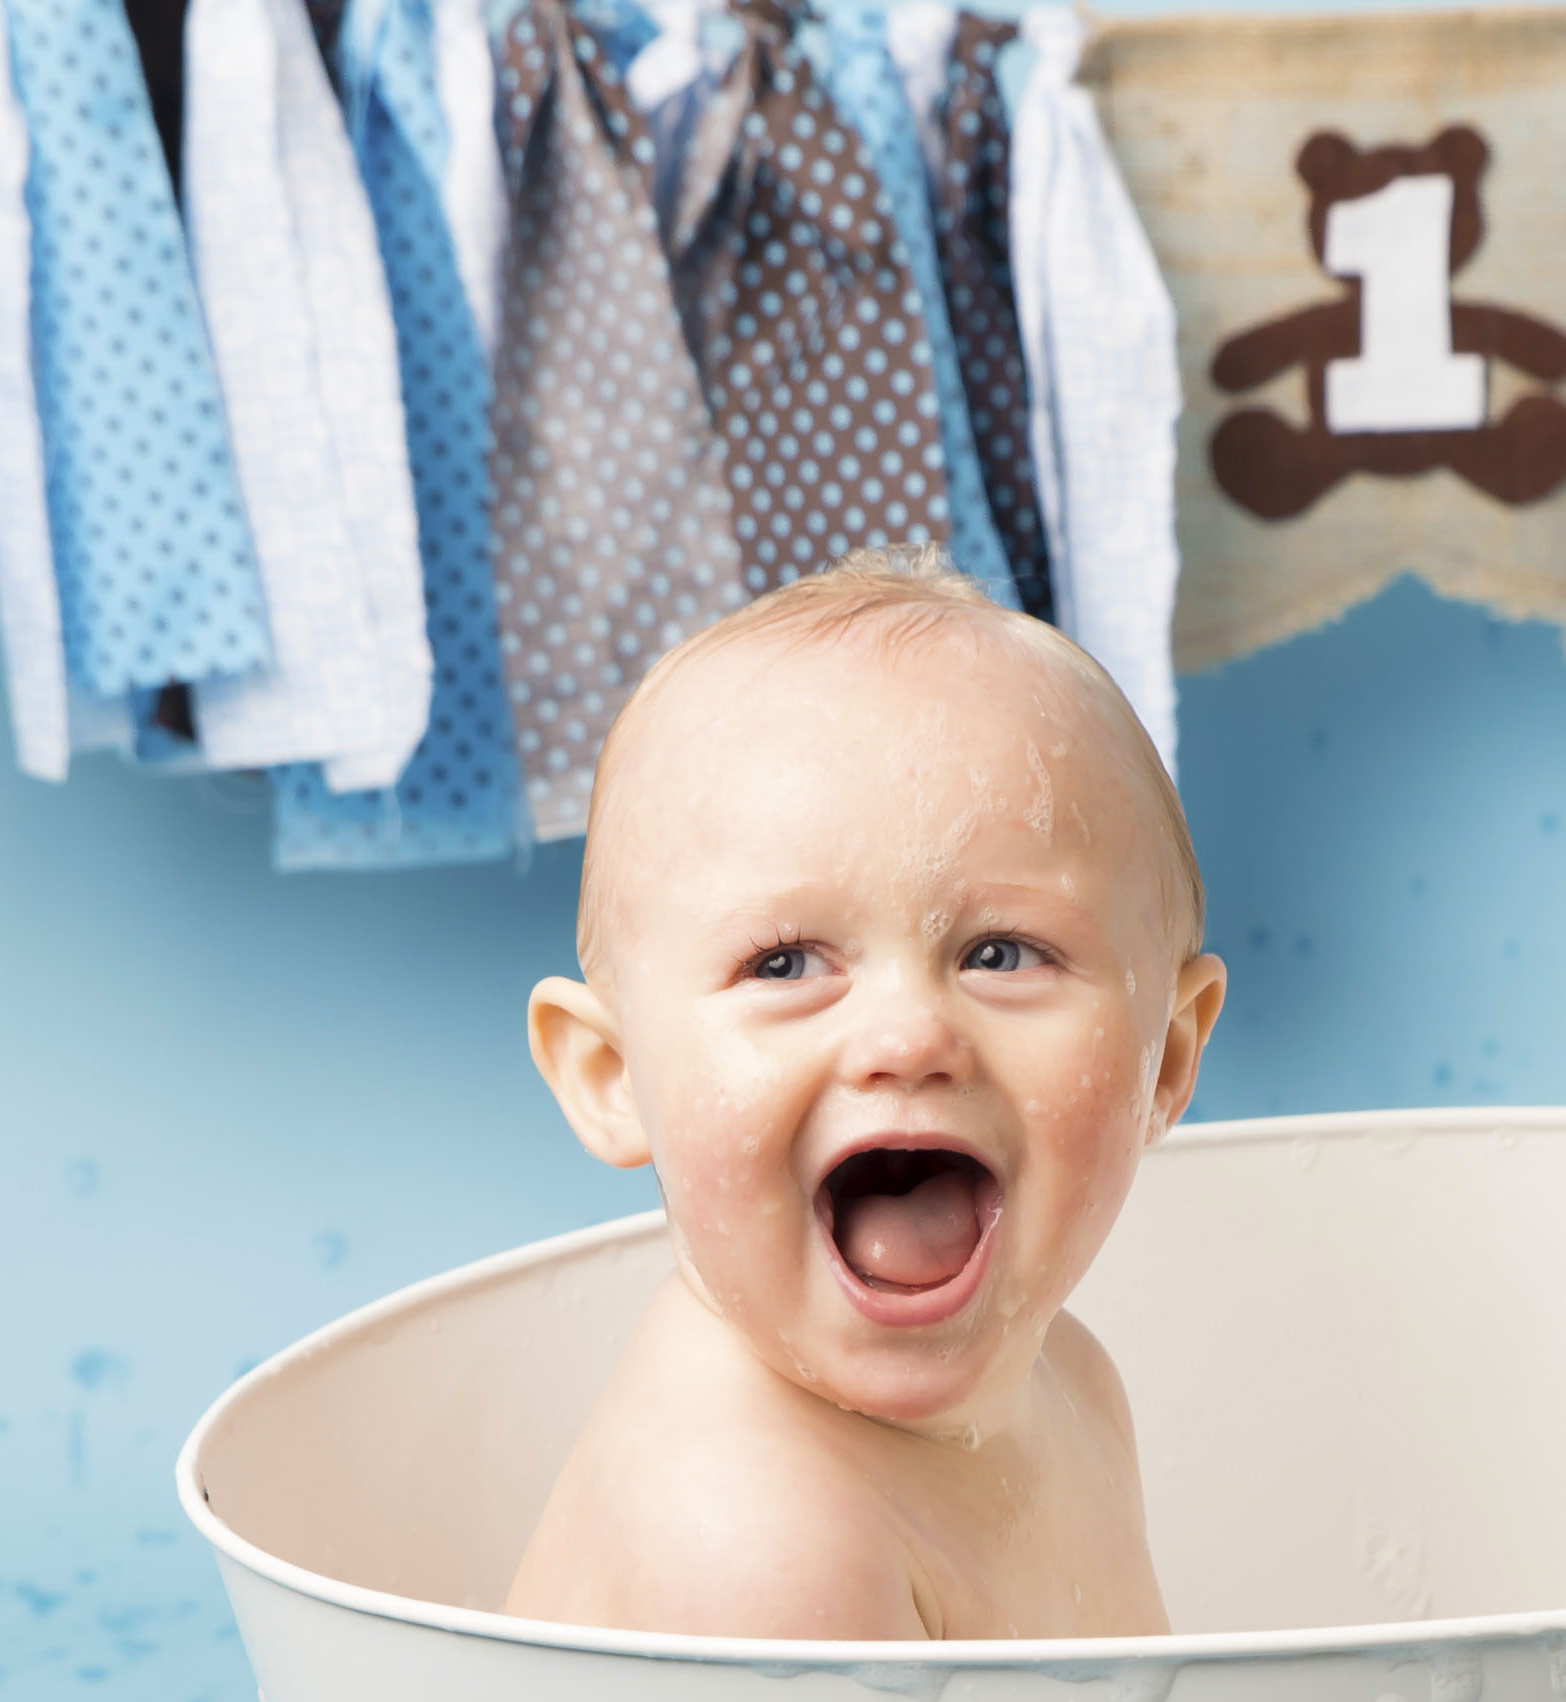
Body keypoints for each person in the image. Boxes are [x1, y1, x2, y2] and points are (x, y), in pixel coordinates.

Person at [505, 548, 1225, 1638]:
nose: (908, 1037)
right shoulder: (761, 1543)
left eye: (1002, 952)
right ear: (612, 1079)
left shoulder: (1072, 1384)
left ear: (1163, 1062)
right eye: (788, 964)